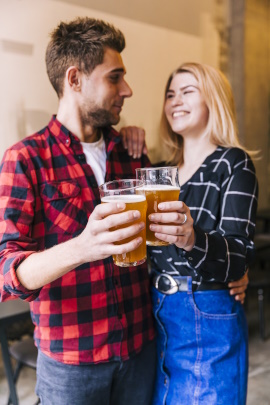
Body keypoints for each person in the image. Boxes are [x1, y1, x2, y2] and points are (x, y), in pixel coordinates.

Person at [0, 17, 157, 405]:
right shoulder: (25, 159)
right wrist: (83, 248)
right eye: (115, 77)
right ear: (74, 79)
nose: (128, 89)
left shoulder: (131, 152)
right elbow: (5, 272)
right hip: (72, 364)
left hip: (142, 348)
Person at [120, 62, 258, 404]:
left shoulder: (233, 163)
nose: (174, 101)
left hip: (207, 311)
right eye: (170, 94)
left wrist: (192, 239)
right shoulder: (158, 173)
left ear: (213, 99)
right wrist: (125, 135)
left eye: (187, 91)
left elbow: (238, 256)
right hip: (156, 310)